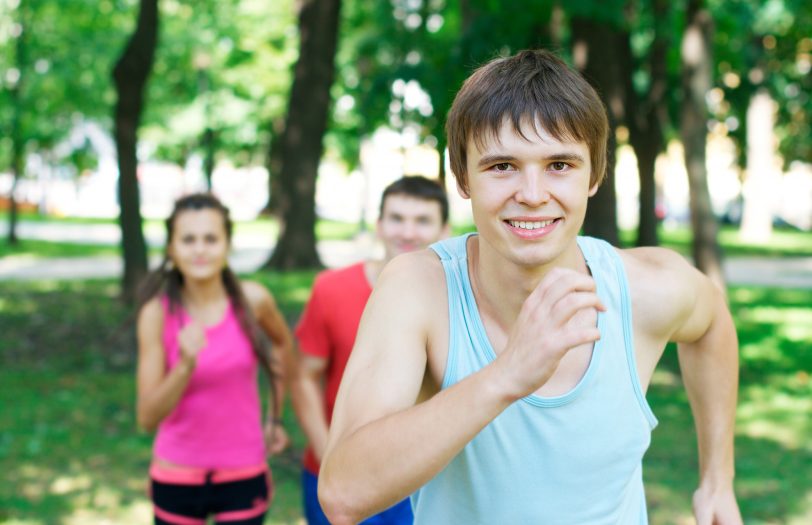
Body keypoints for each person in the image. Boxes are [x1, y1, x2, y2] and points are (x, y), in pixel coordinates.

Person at [318, 50, 743, 525]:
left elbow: (713, 327)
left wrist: (717, 480)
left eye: (560, 164)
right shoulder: (419, 289)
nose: (534, 194)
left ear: (595, 175)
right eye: (502, 166)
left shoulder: (646, 289)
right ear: (462, 178)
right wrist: (507, 376)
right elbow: (342, 493)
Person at [291, 176, 450, 525]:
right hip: (340, 476)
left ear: (444, 229)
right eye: (396, 218)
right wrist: (327, 454)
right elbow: (304, 376)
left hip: (423, 478)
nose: (407, 232)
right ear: (379, 225)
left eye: (422, 220)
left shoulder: (458, 298)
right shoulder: (331, 288)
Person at [135, 193, 294, 525]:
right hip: (176, 475)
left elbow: (283, 345)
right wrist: (185, 366)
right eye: (188, 239)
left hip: (243, 470)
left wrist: (275, 417)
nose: (199, 249)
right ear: (171, 249)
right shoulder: (155, 313)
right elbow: (147, 418)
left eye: (211, 238)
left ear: (227, 245)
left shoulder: (254, 300)